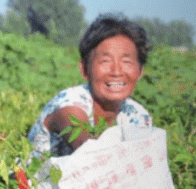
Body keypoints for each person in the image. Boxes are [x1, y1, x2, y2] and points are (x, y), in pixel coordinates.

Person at [27, 14, 152, 158]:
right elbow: (87, 149)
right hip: (36, 180)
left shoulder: (138, 115)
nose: (117, 72)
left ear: (140, 71)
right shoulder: (70, 103)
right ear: (85, 69)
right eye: (105, 61)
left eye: (126, 62)